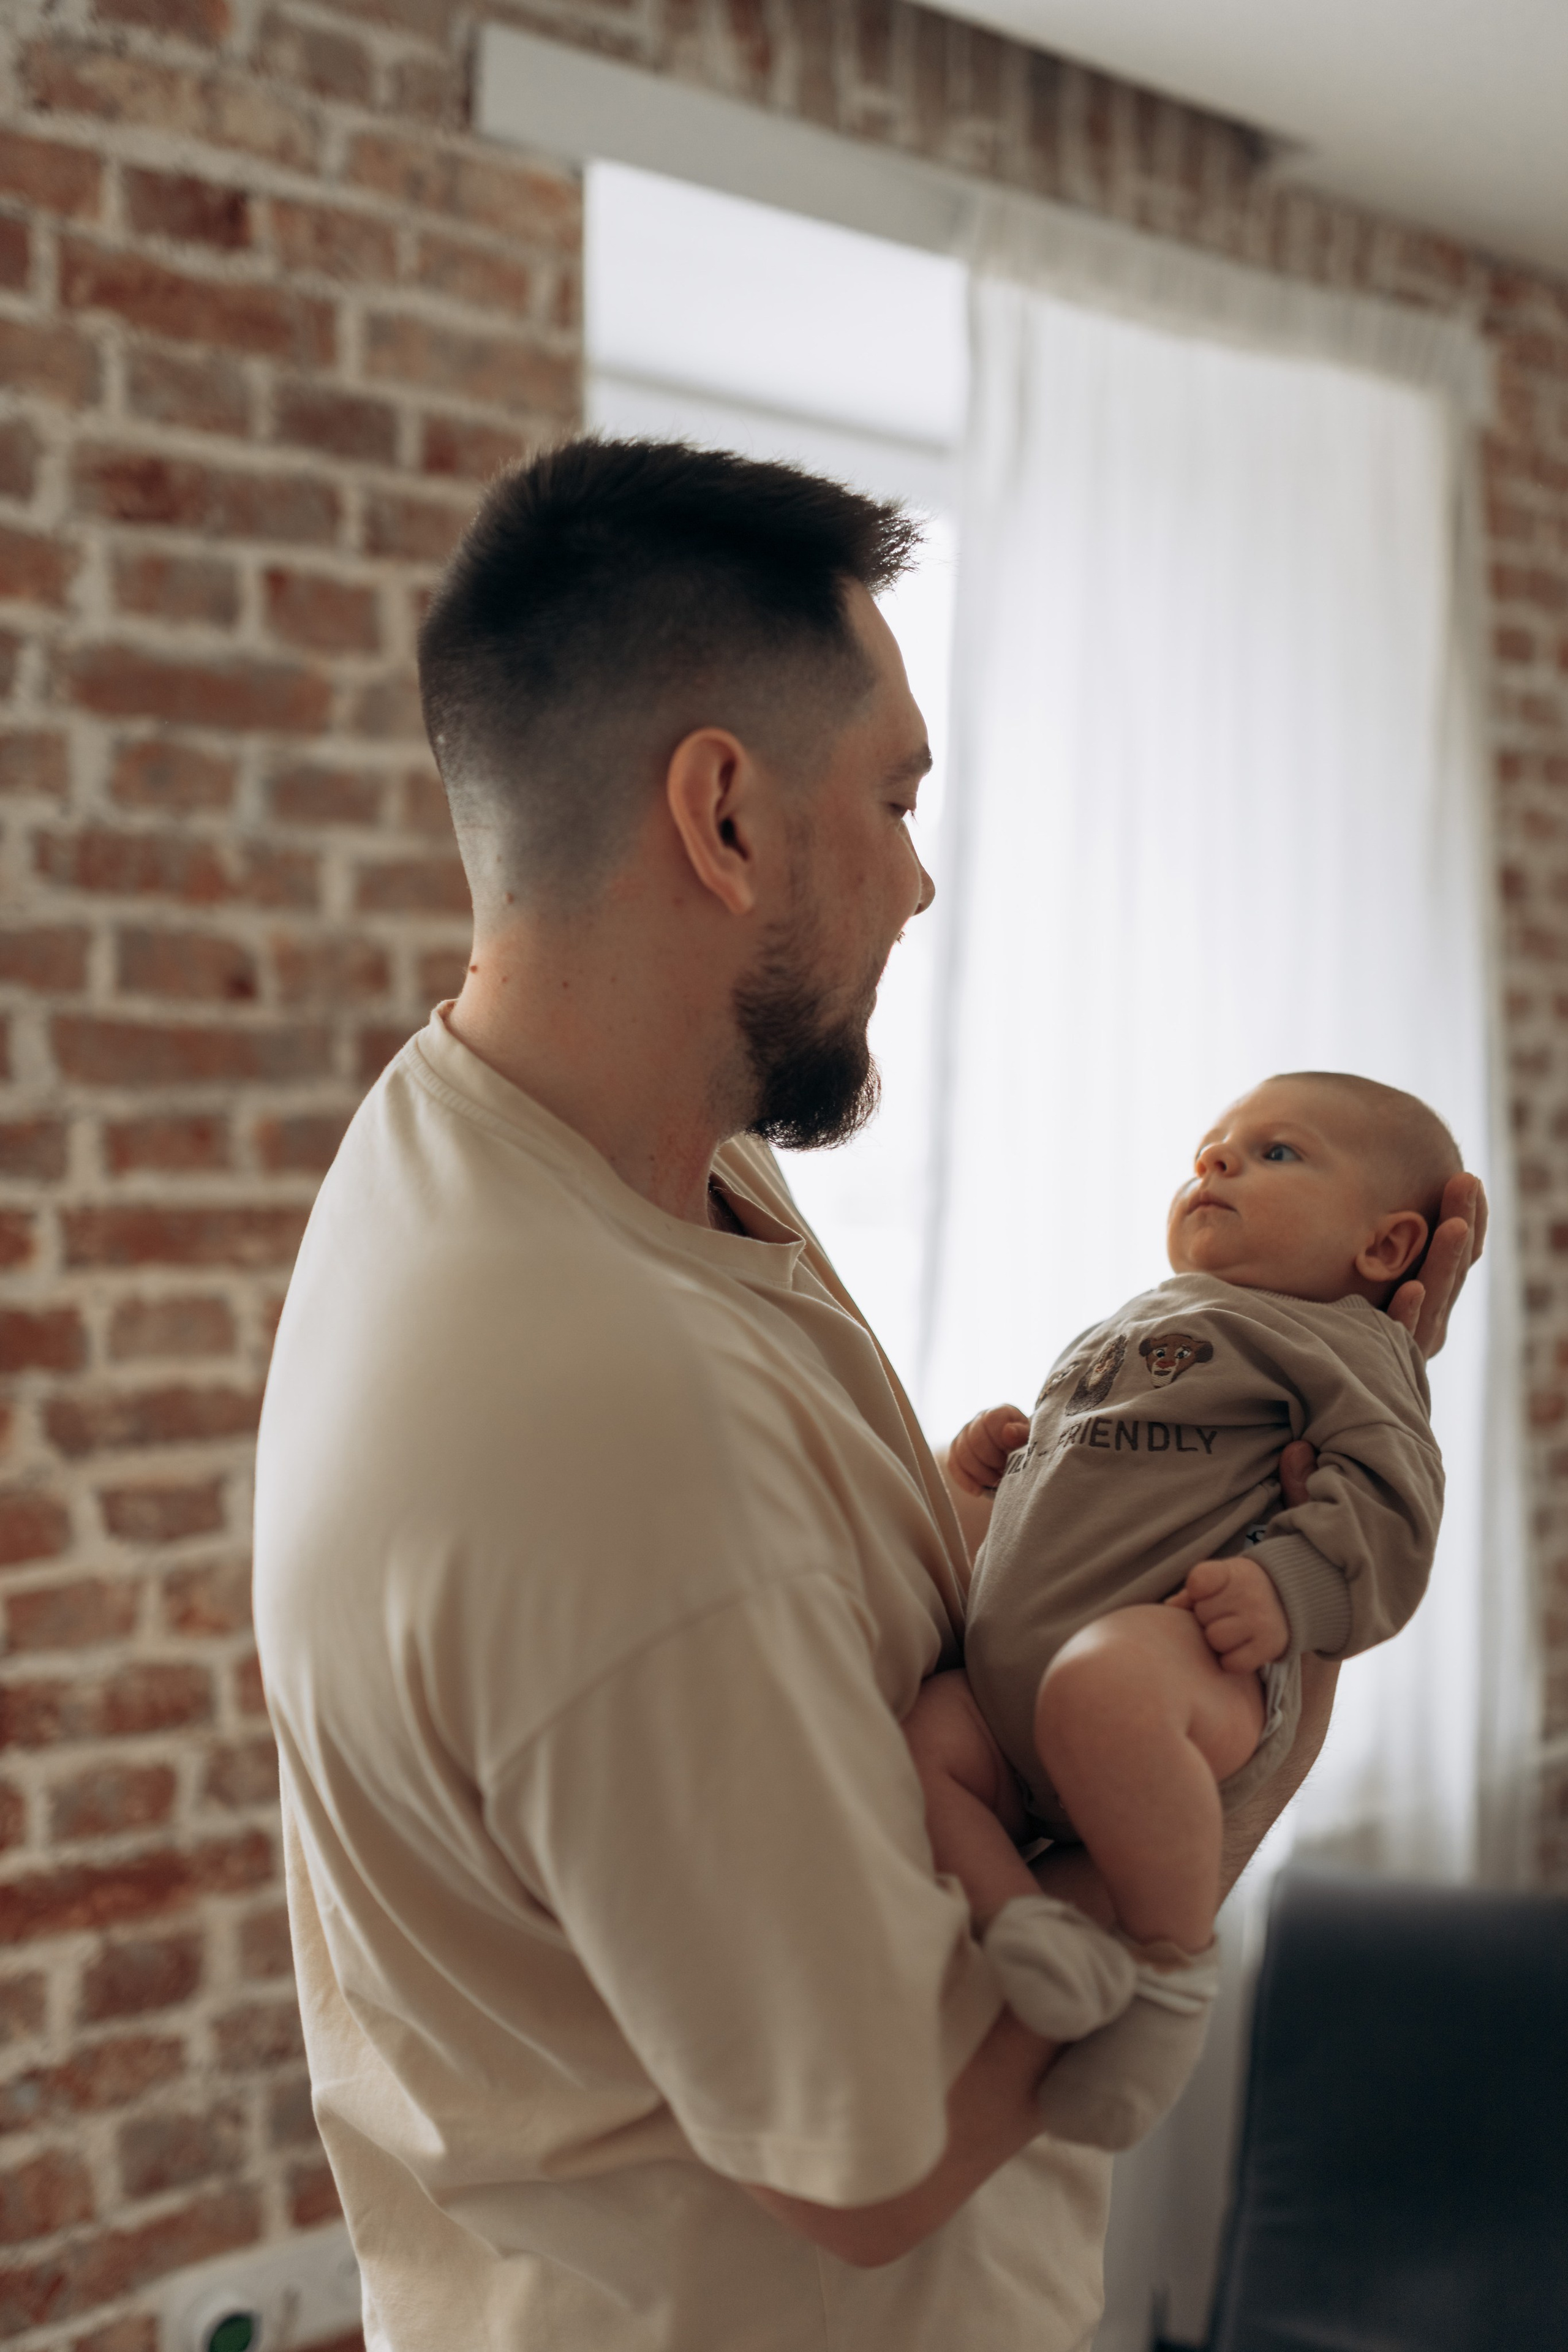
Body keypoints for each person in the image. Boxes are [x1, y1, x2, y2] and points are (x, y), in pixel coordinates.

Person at [252, 439, 1485, 2352]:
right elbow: (872, 2161)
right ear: (724, 816)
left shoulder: (563, 1157)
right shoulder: (603, 1417)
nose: (917, 879)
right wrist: (1266, 1710)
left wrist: (1043, 1481)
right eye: (896, 800)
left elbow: (743, 1619)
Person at [907, 1072, 1456, 2151]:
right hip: (1011, 1711)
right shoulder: (1129, 1325)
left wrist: (1288, 1586)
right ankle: (1029, 1931)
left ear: (1386, 1247)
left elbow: (1398, 1505)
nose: (1215, 1162)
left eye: (1277, 1152)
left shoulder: (1343, 1343)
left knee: (1101, 1685)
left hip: (1186, 1667)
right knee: (924, 1745)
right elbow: (1072, 1493)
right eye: (1210, 1148)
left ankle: (1167, 1974)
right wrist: (988, 1474)